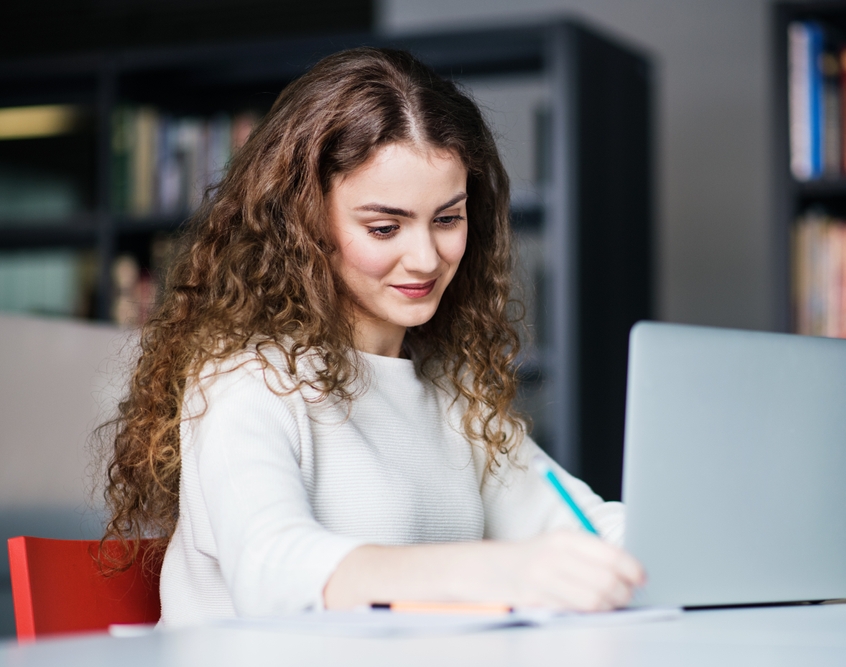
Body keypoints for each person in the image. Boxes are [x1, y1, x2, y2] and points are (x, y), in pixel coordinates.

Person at [101, 47, 644, 627]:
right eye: (385, 227)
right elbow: (272, 568)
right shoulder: (246, 378)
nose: (426, 258)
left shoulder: (450, 387)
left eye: (447, 219)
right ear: (304, 222)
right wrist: (497, 570)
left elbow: (582, 526)